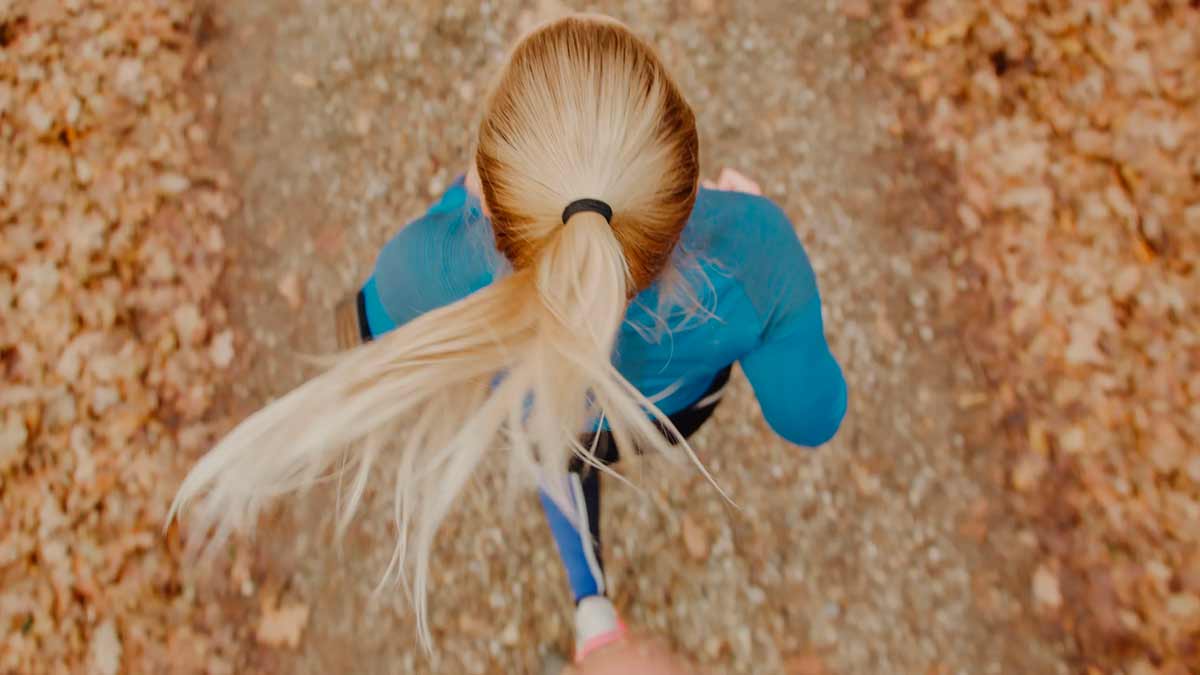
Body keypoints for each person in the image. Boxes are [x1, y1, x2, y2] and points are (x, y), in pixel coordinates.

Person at [171, 13, 847, 661]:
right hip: (667, 412)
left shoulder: (427, 260)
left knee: (557, 451)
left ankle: (592, 605)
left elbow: (366, 327)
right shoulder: (758, 244)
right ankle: (591, 610)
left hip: (551, 409)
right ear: (683, 184)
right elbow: (810, 418)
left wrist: (451, 210)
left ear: (490, 196)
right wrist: (757, 233)